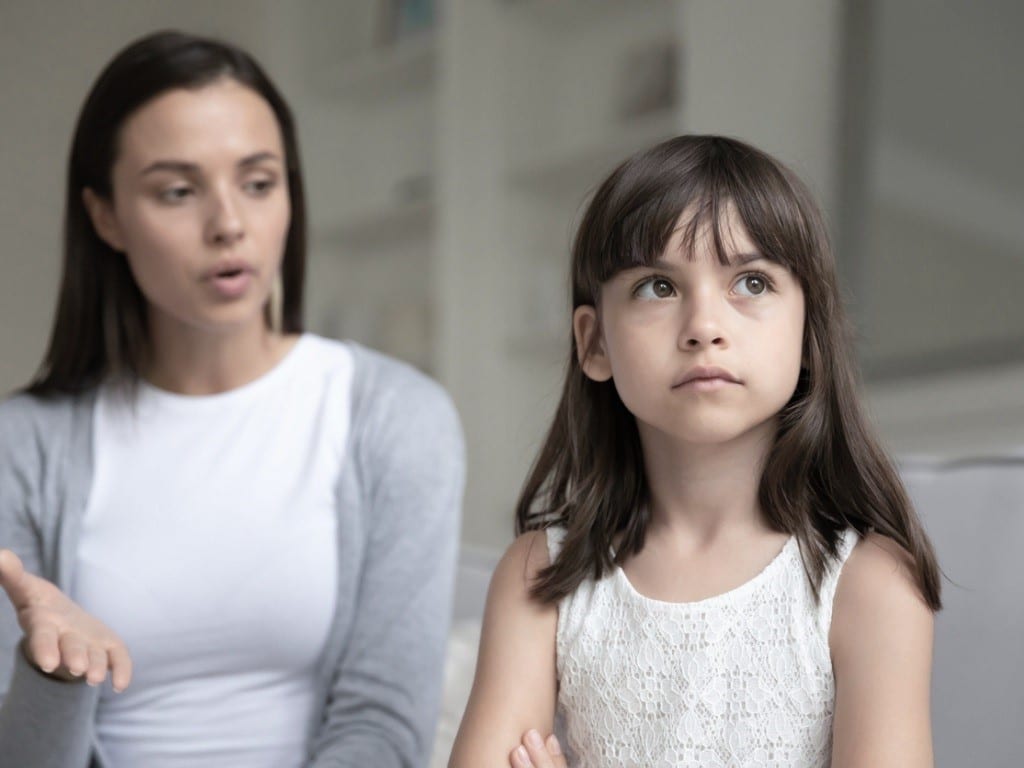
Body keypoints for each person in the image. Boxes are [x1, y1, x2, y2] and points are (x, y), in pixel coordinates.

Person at [0, 30, 464, 768]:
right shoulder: (21, 445)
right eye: (177, 191)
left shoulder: (397, 417)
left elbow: (383, 729)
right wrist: (53, 675)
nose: (229, 224)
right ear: (106, 215)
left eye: (258, 181)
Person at [449, 135, 941, 768]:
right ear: (594, 343)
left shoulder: (869, 586)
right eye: (658, 287)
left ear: (809, 331)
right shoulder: (539, 580)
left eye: (752, 282)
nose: (705, 325)